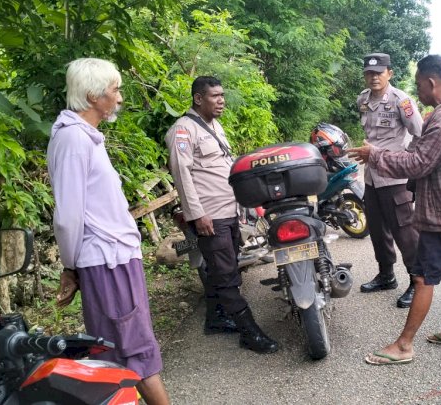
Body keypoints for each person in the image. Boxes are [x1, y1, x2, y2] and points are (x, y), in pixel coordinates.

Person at [347, 55, 441, 365]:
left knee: (423, 277)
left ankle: (404, 345)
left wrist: (376, 154)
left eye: (420, 84)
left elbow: (418, 163)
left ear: (431, 83)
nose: (417, 89)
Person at [48, 58, 170, 404]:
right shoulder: (73, 139)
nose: (119, 98)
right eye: (115, 90)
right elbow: (68, 216)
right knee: (132, 351)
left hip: (114, 259)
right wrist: (71, 267)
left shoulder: (85, 137)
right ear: (92, 96)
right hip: (107, 261)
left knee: (125, 350)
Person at [164, 76, 278, 354]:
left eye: (222, 95)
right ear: (198, 98)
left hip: (227, 210)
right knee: (227, 275)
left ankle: (216, 318)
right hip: (209, 215)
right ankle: (249, 332)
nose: (221, 100)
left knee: (224, 268)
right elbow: (182, 175)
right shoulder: (183, 130)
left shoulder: (214, 125)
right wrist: (197, 214)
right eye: (215, 96)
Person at [357, 53, 423, 308]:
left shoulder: (401, 101)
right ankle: (386, 275)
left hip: (395, 178)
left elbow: (419, 132)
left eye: (379, 72)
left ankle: (418, 282)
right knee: (377, 229)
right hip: (372, 177)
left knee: (405, 233)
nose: (374, 77)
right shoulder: (363, 99)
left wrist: (405, 157)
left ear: (389, 74)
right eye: (369, 73)